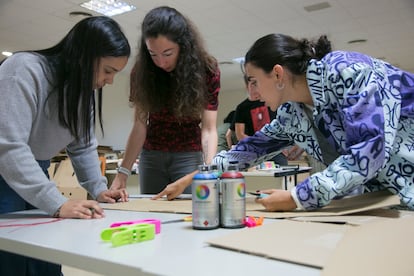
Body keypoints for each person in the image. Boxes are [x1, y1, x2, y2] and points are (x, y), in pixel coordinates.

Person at [213, 33, 414, 211]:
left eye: (254, 81)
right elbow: (255, 147)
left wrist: (297, 197)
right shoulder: (291, 112)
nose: (253, 94)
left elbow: (368, 152)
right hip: (385, 200)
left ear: (277, 74)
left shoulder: (349, 72)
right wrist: (206, 172)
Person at [0, 16, 130, 275]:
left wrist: (98, 189)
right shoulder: (24, 69)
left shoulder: (80, 94)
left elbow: (82, 147)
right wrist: (56, 202)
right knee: (11, 261)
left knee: (46, 257)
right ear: (84, 56)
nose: (109, 81)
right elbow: (9, 146)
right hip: (5, 172)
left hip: (34, 171)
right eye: (107, 71)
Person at [111, 6, 220, 196]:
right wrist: (123, 173)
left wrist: (209, 170)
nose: (161, 62)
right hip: (151, 156)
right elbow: (139, 125)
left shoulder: (207, 70)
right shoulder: (141, 72)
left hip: (188, 155)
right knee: (152, 209)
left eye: (168, 53)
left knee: (186, 214)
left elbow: (209, 129)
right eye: (153, 54)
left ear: (184, 46)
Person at [232, 74, 287, 166]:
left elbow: (282, 125)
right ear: (247, 86)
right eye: (252, 84)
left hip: (275, 150)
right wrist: (259, 144)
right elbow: (240, 134)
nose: (256, 88)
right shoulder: (242, 108)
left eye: (257, 84)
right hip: (254, 152)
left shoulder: (270, 101)